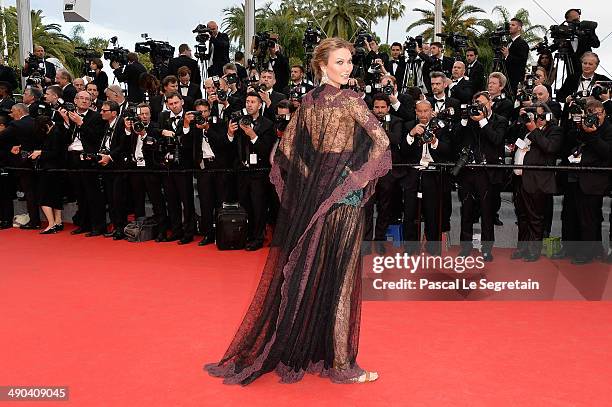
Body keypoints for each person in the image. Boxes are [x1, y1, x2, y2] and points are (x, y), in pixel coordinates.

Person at [205, 37, 391, 385]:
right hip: (344, 201)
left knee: (317, 274)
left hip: (316, 199)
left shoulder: (307, 103)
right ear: (322, 66)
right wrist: (355, 176)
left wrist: (313, 179)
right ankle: (341, 364)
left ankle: (317, 353)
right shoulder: (351, 100)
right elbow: (381, 143)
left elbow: (283, 153)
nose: (348, 68)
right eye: (340, 62)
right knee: (343, 279)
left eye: (349, 62)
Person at [30, 115, 65, 234]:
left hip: (50, 170)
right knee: (56, 196)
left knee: (44, 197)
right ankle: (58, 222)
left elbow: (55, 152)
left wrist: (40, 152)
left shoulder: (55, 133)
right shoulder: (55, 131)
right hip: (55, 170)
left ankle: (51, 224)